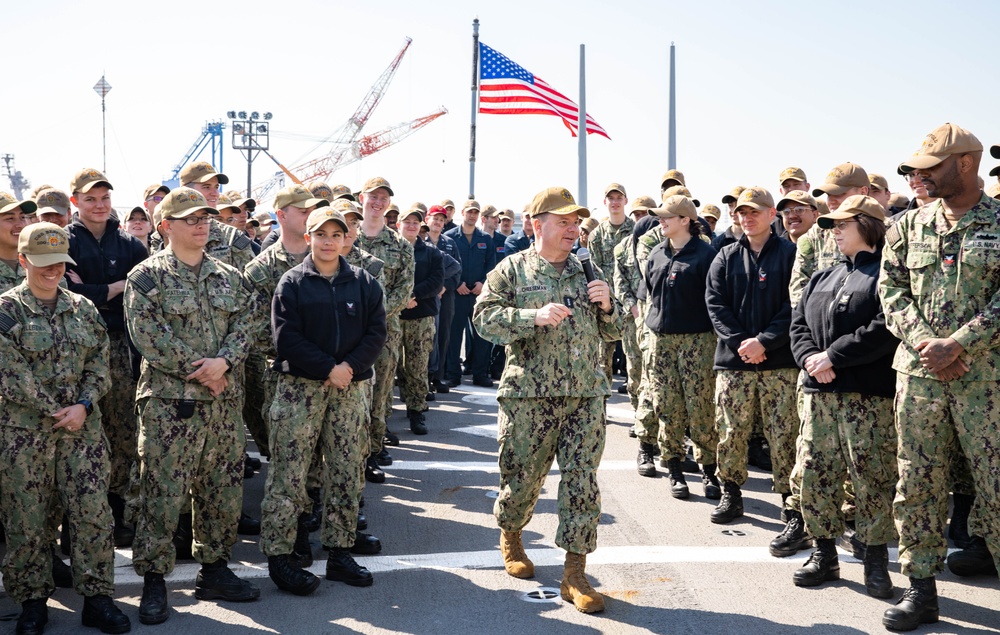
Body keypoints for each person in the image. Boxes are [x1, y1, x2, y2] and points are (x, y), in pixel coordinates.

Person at [474, 186, 622, 614]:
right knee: (521, 479)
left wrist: (609, 306)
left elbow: (613, 333)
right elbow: (483, 320)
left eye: (576, 222)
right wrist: (530, 317)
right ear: (538, 225)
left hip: (585, 394)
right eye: (564, 222)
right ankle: (512, 532)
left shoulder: (588, 270)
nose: (573, 229)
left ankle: (575, 572)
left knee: (581, 484)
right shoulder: (512, 270)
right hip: (529, 397)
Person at [879, 123, 1000, 631]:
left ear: (965, 164)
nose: (920, 176)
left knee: (996, 485)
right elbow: (891, 290)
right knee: (918, 482)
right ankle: (921, 590)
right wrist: (931, 343)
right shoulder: (907, 226)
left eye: (931, 167)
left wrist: (961, 343)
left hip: (985, 381)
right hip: (920, 377)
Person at [124, 187, 260, 625]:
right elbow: (148, 336)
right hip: (171, 405)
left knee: (222, 489)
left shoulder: (229, 277)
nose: (202, 224)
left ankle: (215, 569)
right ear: (165, 227)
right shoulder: (145, 278)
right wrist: (204, 370)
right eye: (190, 218)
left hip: (223, 405)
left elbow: (249, 321)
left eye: (204, 216)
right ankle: (154, 580)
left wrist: (224, 362)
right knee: (162, 493)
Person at [0, 222, 131, 635]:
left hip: (82, 433)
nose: (52, 270)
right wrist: (58, 409)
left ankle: (97, 597)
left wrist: (84, 404)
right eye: (42, 262)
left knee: (93, 515)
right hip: (26, 435)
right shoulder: (6, 311)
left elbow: (99, 362)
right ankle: (33, 602)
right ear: (22, 261)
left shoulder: (82, 308)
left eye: (59, 262)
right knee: (28, 520)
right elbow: (9, 372)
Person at [262, 207, 387, 595]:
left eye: (336, 234)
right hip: (301, 388)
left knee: (347, 470)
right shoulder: (292, 283)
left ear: (346, 238)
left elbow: (376, 332)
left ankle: (339, 552)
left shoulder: (364, 282)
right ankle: (281, 556)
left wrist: (348, 366)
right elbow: (286, 338)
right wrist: (327, 368)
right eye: (321, 234)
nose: (329, 241)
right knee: (290, 473)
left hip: (349, 387)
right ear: (309, 237)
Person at [787, 196, 898, 599]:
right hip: (819, 394)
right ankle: (824, 553)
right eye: (831, 226)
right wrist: (811, 361)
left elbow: (885, 327)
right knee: (817, 474)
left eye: (841, 225)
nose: (834, 232)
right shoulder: (822, 277)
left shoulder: (886, 274)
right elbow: (798, 324)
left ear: (867, 225)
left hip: (866, 396)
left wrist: (833, 356)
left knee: (871, 477)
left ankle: (874, 559)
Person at [65, 168, 149, 549]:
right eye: (90, 199)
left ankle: (119, 511)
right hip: (77, 347)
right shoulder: (63, 242)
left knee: (124, 431)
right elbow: (69, 294)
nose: (99, 206)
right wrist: (114, 287)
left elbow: (143, 289)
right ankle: (74, 519)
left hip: (122, 344)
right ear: (75, 203)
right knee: (80, 434)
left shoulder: (130, 245)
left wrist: (98, 290)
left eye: (104, 198)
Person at [705, 187, 798, 525]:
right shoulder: (726, 255)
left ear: (772, 214)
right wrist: (743, 342)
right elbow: (715, 304)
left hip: (779, 362)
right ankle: (731, 491)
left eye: (755, 211)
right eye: (742, 212)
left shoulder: (790, 254)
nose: (747, 217)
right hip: (735, 361)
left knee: (784, 433)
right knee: (731, 430)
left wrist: (765, 341)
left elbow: (795, 306)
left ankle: (791, 499)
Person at [637, 195, 720, 499]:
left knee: (701, 407)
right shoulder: (657, 253)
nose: (661, 221)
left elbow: (716, 301)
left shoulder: (707, 255)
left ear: (685, 220)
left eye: (667, 217)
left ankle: (709, 470)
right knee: (666, 405)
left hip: (697, 341)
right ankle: (674, 468)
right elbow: (647, 295)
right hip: (661, 341)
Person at [356, 177, 414, 482]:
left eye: (383, 198)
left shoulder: (399, 245)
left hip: (384, 332)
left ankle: (372, 451)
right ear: (362, 198)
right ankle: (349, 454)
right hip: (346, 332)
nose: (377, 202)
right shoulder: (346, 236)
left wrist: (375, 313)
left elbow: (405, 288)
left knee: (379, 395)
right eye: (373, 197)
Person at [398, 206, 444, 433]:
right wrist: (400, 299)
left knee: (417, 366)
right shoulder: (392, 250)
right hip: (393, 316)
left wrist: (412, 295)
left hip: (421, 316)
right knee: (392, 368)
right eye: (407, 222)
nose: (411, 226)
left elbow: (437, 281)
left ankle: (416, 410)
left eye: (416, 223)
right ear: (399, 224)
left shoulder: (431, 252)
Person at [445, 199, 496, 388]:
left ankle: (480, 373)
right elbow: (445, 264)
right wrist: (457, 283)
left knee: (482, 335)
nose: (472, 215)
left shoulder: (485, 239)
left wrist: (483, 283)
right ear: (463, 213)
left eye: (476, 212)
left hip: (478, 294)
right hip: (457, 294)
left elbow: (492, 265)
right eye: (469, 212)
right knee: (454, 335)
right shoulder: (450, 237)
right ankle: (452, 374)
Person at [588, 183, 634, 385]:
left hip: (630, 304)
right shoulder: (596, 235)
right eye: (611, 198)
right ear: (605, 202)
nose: (615, 202)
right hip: (605, 306)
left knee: (635, 360)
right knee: (602, 363)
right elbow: (593, 272)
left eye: (619, 198)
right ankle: (601, 411)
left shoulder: (636, 230)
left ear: (625, 201)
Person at [426, 205, 462, 394]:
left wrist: (444, 286)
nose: (438, 222)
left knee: (443, 334)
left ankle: (437, 377)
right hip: (425, 298)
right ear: (427, 220)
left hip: (445, 297)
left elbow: (457, 269)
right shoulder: (420, 241)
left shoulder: (450, 243)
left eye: (441, 219)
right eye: (435, 218)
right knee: (425, 337)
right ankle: (423, 378)